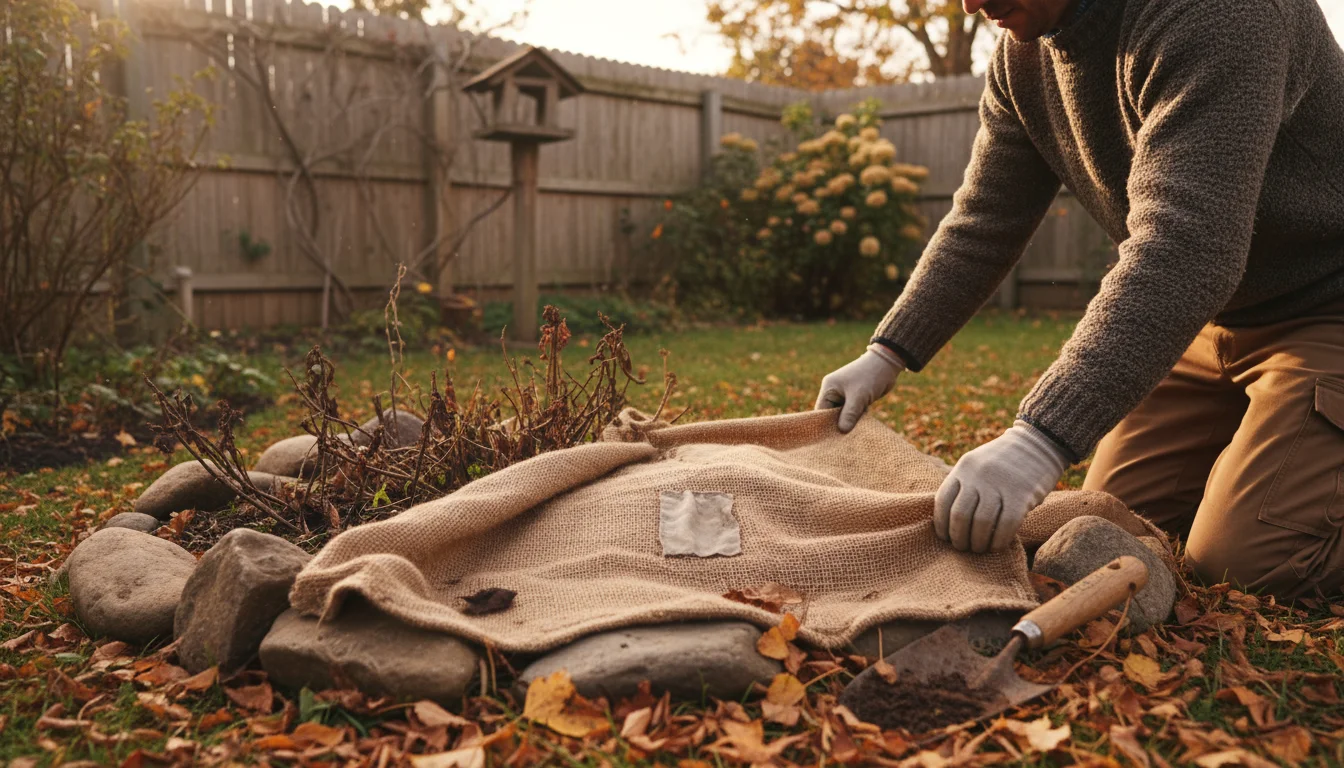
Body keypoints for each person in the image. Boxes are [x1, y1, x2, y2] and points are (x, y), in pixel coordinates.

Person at [815, 0, 1344, 598]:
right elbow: (987, 218)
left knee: (1246, 562)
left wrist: (1037, 440)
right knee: (1109, 519)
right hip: (1211, 318)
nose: (972, 4)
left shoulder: (1222, 14)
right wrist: (886, 352)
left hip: (1328, 306)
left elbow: (1190, 243)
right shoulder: (1024, 54)